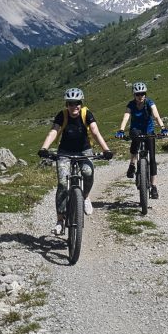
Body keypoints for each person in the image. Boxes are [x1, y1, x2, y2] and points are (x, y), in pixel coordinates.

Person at [38, 87, 113, 235]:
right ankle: (60, 220)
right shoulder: (62, 115)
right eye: (71, 103)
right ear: (67, 105)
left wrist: (106, 150)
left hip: (84, 150)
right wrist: (44, 148)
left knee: (88, 172)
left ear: (81, 103)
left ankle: (84, 197)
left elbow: (95, 132)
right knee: (62, 183)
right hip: (65, 152)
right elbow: (53, 131)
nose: (74, 106)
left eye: (77, 103)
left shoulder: (86, 114)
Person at [115, 82, 168, 199]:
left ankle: (153, 186)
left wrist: (163, 128)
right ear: (134, 95)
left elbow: (156, 115)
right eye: (138, 94)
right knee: (135, 138)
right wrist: (121, 130)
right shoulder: (131, 105)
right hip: (136, 129)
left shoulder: (149, 103)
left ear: (145, 94)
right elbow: (126, 117)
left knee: (153, 158)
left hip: (148, 130)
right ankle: (132, 164)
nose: (140, 96)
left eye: (142, 94)